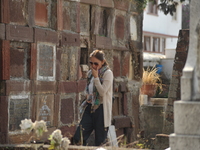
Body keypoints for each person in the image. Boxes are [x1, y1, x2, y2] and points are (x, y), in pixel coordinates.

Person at [73, 50, 113, 146]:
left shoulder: (107, 73)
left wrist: (96, 78)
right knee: (78, 137)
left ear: (102, 62)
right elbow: (88, 89)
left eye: (96, 63)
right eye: (91, 63)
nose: (93, 66)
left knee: (100, 142)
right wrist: (87, 95)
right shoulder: (91, 73)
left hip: (101, 110)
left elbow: (102, 92)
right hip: (90, 107)